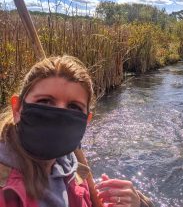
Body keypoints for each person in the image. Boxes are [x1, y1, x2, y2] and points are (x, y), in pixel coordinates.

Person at [0, 56, 154, 207]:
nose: (59, 117)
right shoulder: (6, 192)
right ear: (17, 108)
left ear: (87, 120)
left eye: (74, 107)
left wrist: (139, 204)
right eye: (45, 101)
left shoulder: (72, 167)